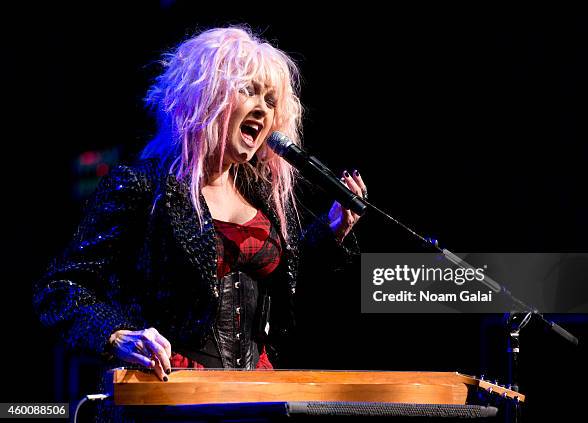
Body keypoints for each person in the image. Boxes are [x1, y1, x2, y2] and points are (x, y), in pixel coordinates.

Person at [33, 26, 366, 386]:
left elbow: (285, 293)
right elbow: (59, 290)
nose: (262, 109)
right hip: (170, 390)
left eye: (271, 101)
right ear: (206, 97)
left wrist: (331, 232)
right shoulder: (143, 186)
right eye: (248, 91)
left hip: (256, 392)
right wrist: (116, 335)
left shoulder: (259, 196)